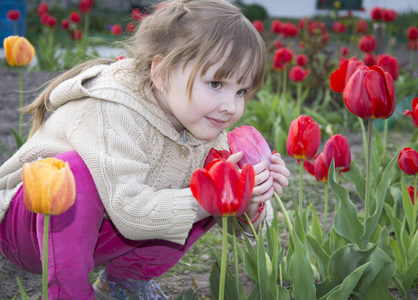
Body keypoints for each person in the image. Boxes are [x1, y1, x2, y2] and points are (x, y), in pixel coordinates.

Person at [0, 0, 290, 299]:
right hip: (31, 228)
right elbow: (130, 212)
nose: (230, 107)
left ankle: (124, 283)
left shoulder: (204, 124)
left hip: (103, 232)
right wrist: (210, 197)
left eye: (241, 91)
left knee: (216, 175)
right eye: (216, 83)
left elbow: (236, 222)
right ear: (162, 74)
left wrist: (250, 198)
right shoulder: (112, 111)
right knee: (76, 173)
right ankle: (69, 294)